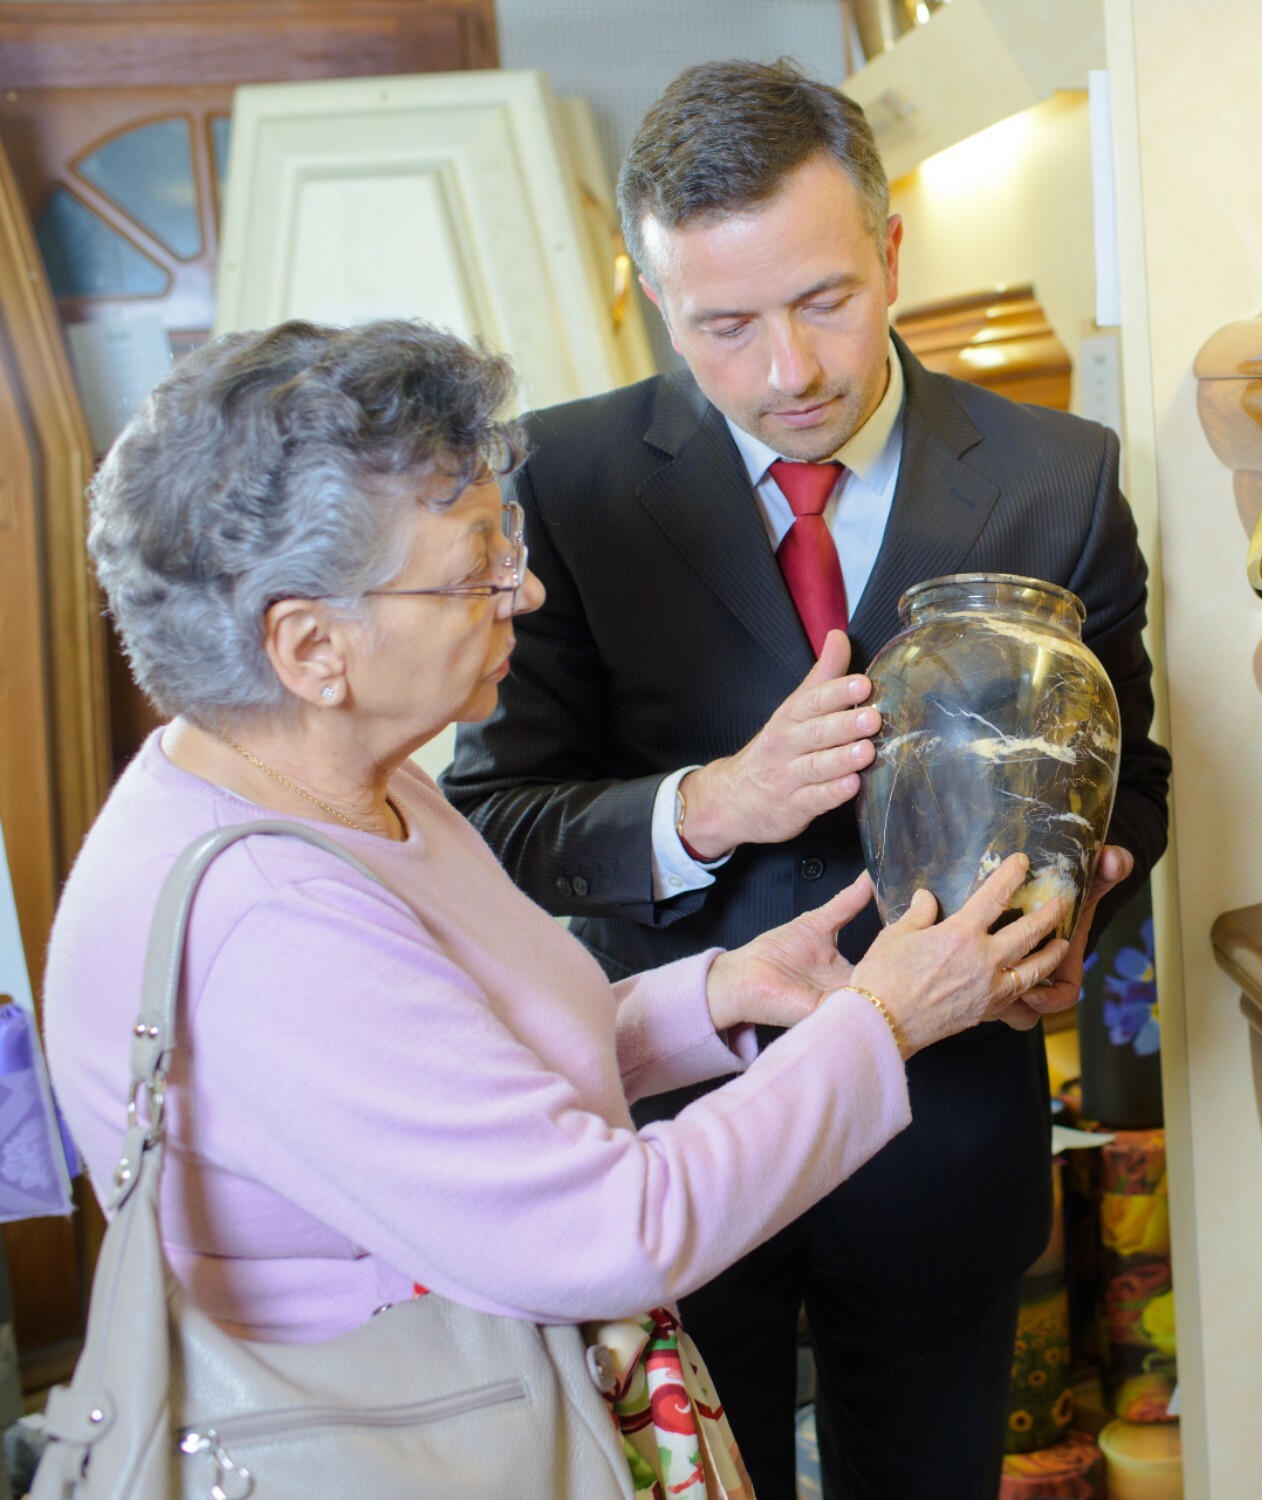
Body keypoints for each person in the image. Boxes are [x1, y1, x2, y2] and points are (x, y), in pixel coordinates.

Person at [43, 318, 1073, 1404]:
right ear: (310, 648)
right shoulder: (261, 923)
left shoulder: (363, 786)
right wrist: (885, 1019)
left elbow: (467, 1081)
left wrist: (716, 994)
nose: (521, 593)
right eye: (470, 573)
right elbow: (608, 1229)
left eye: (508, 543)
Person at [440, 59, 1173, 1500]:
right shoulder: (560, 486)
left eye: (826, 299)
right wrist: (707, 805)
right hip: (673, 1149)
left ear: (894, 252)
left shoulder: (1059, 475)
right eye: (725, 325)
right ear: (656, 300)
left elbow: (1131, 776)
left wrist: (1076, 913)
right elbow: (494, 820)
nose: (791, 371)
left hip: (946, 1125)